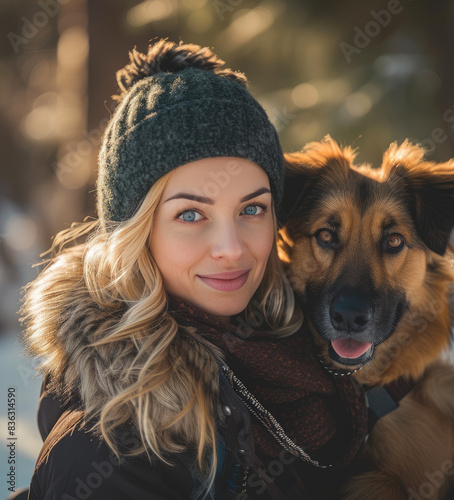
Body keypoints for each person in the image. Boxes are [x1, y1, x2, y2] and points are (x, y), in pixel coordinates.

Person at [19, 39, 368, 500]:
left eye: (252, 209)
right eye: (190, 215)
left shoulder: (314, 359)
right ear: (135, 232)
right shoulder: (105, 453)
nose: (231, 248)